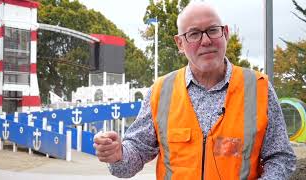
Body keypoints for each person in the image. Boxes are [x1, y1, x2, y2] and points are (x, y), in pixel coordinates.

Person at [93, 2, 296, 179]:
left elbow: (281, 157)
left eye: (213, 30)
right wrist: (118, 154)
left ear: (225, 33)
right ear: (180, 43)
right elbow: (135, 152)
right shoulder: (161, 91)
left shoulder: (258, 88)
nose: (205, 40)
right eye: (194, 34)